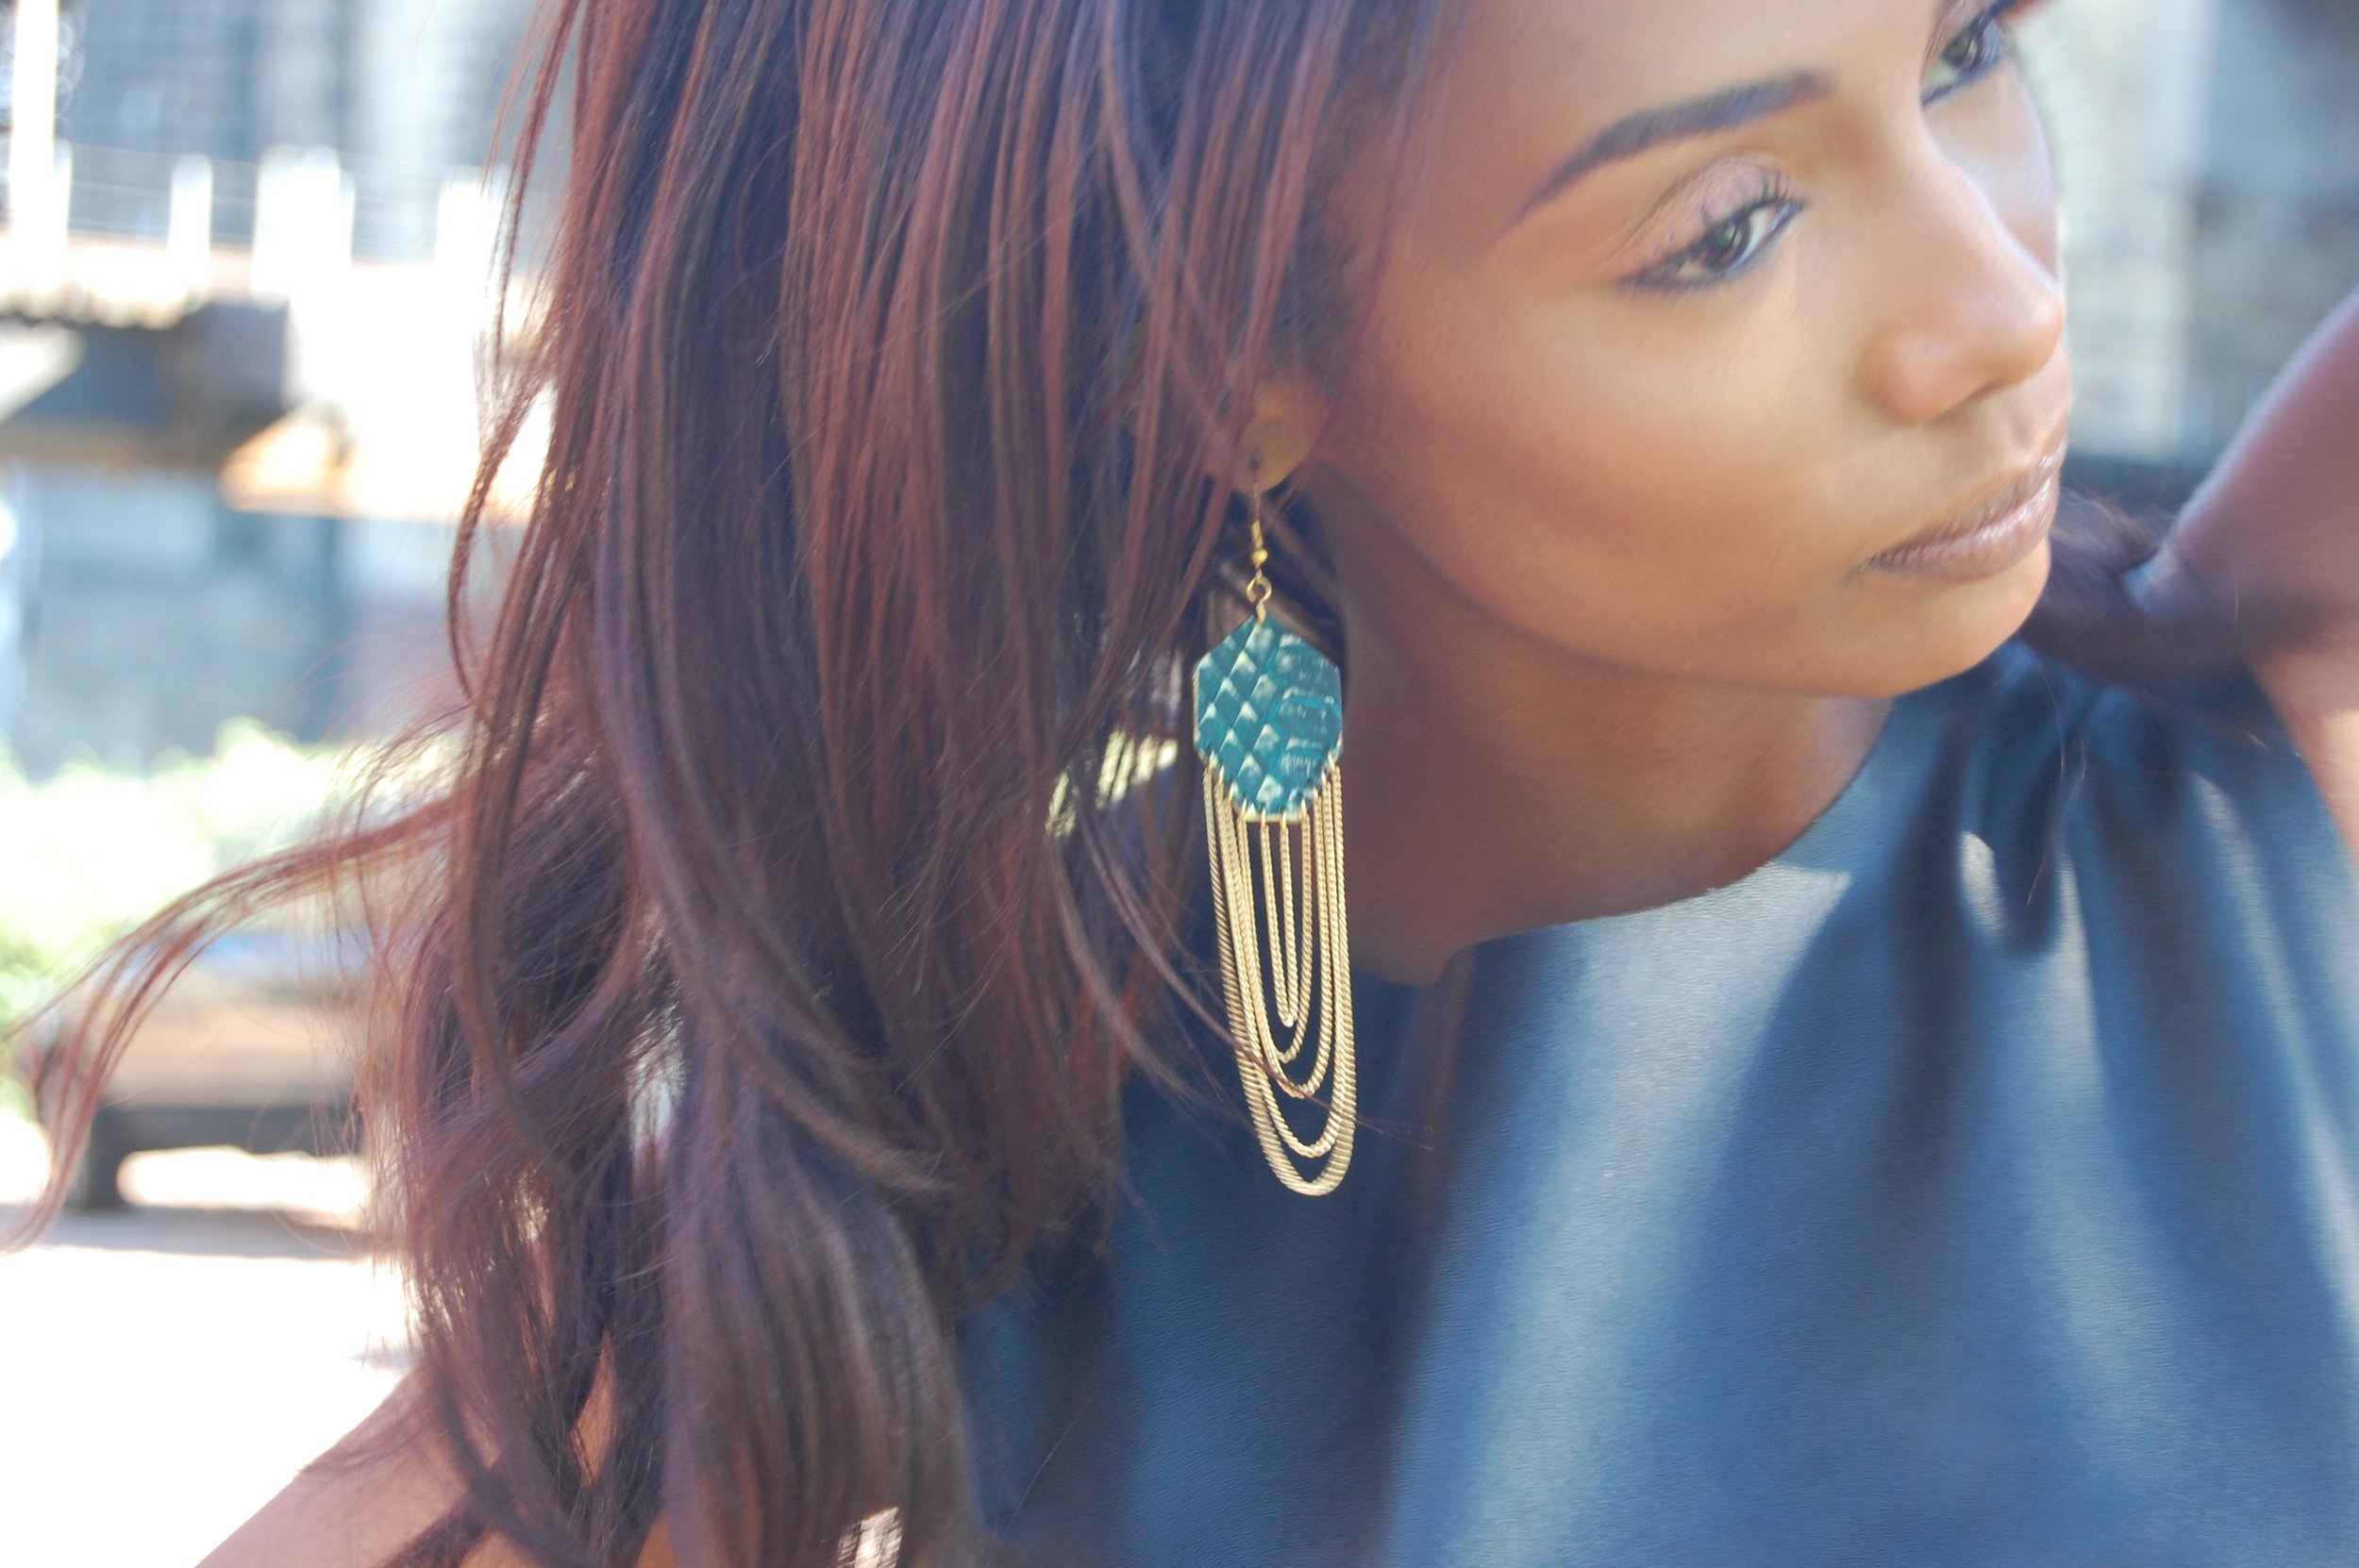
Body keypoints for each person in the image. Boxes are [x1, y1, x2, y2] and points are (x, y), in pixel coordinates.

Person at [19, 0, 2359, 1563]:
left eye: (1963, 47)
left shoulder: (2272, 785)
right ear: (1236, 354)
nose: (1997, 303)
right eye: (1722, 229)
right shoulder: (940, 1133)